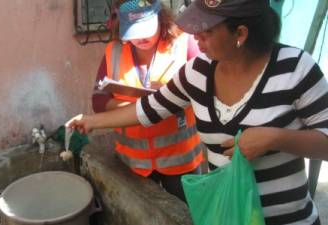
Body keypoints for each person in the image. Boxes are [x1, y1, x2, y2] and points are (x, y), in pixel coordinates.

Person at [68, 0, 328, 224]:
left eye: (206, 32)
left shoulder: (295, 68)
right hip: (224, 217)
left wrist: (274, 138)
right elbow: (148, 109)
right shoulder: (198, 72)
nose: (196, 38)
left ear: (240, 33)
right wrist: (91, 121)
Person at [92, 0, 204, 202]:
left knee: (186, 214)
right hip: (134, 161)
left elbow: (204, 91)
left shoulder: (184, 43)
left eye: (146, 29)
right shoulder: (114, 51)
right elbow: (98, 101)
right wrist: (143, 107)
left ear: (161, 18)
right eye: (134, 31)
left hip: (180, 159)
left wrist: (167, 97)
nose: (141, 37)